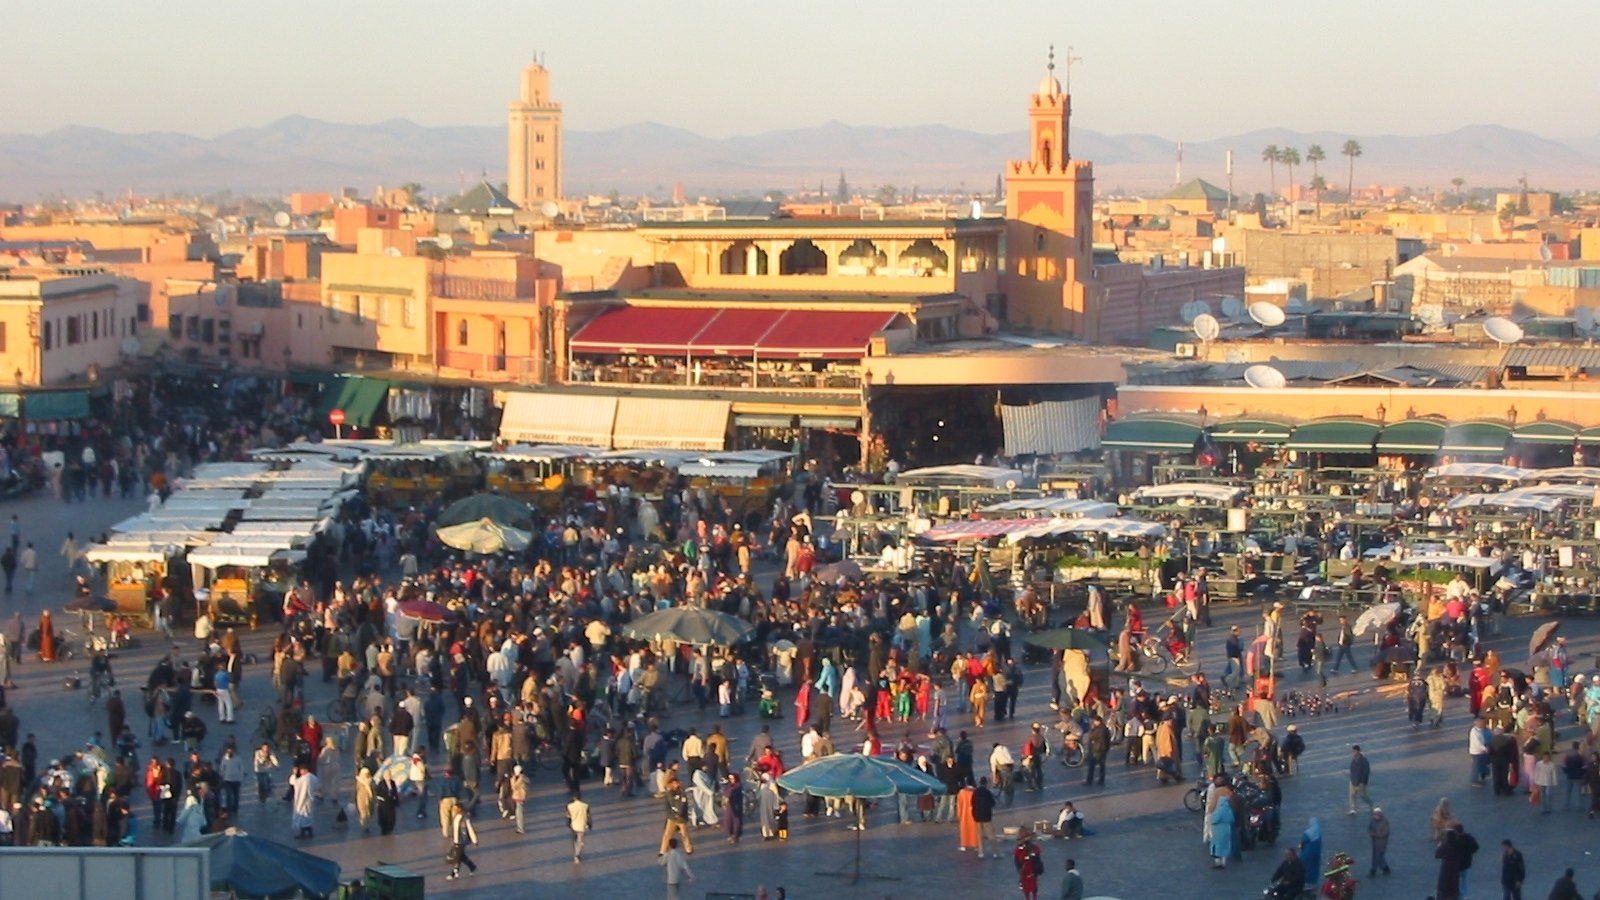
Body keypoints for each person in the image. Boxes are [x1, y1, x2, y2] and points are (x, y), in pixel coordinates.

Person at [445, 805, 477, 880]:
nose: (454, 810)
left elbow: (470, 829)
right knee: (461, 857)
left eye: (455, 809)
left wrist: (474, 840)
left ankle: (454, 873)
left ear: (460, 809)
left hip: (462, 841)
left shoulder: (465, 818)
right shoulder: (456, 817)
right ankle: (472, 867)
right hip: (456, 840)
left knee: (457, 857)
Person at [1013, 830, 1043, 900]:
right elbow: (1017, 860)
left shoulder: (1033, 848)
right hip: (1025, 870)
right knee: (1027, 886)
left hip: (1031, 869)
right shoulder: (1019, 849)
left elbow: (1037, 858)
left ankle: (1033, 898)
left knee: (1032, 886)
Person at [1209, 793, 1235, 868]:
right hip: (1227, 829)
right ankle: (1224, 862)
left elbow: (1214, 820)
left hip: (1218, 830)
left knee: (1217, 846)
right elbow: (1232, 819)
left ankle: (1218, 863)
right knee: (1225, 846)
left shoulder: (1219, 811)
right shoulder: (1229, 810)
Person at [567, 788, 591, 862]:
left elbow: (568, 816)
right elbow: (588, 816)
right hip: (582, 825)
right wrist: (589, 825)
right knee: (580, 840)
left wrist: (568, 824)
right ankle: (577, 854)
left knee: (575, 840)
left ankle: (576, 854)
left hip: (573, 825)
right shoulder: (586, 806)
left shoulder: (569, 806)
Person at [1347, 745, 1372, 815]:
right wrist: (1352, 778)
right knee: (1352, 795)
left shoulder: (1364, 761)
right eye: (1352, 751)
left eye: (1354, 751)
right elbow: (1352, 769)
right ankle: (1352, 809)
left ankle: (1371, 805)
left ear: (1358, 751)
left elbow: (1366, 772)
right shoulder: (1354, 759)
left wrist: (1362, 782)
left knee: (1362, 795)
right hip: (1353, 780)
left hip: (1361, 782)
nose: (1352, 753)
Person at [1366, 807, 1391, 877]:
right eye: (1374, 815)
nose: (1375, 816)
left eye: (1376, 815)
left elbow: (1385, 833)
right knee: (1378, 856)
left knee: (1378, 857)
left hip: (1382, 843)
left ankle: (1373, 871)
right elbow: (1370, 828)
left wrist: (1375, 834)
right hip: (1374, 842)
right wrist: (1371, 833)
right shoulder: (1373, 820)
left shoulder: (1385, 822)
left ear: (1380, 815)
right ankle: (1385, 868)